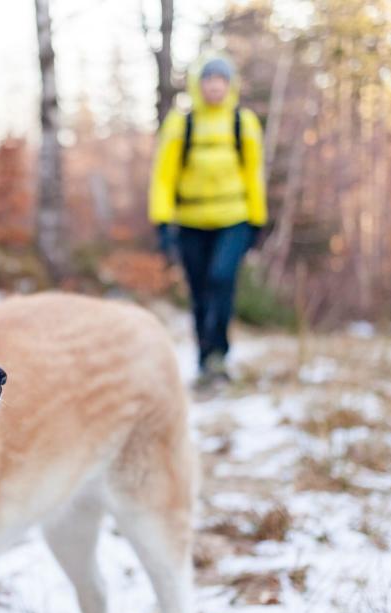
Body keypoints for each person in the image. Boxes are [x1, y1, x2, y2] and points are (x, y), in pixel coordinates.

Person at [148, 55, 267, 386]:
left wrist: (257, 221)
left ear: (230, 85)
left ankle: (219, 353)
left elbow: (254, 174)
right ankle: (205, 360)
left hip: (234, 220)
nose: (215, 85)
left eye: (221, 79)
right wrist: (162, 222)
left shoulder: (243, 123)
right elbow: (164, 176)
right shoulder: (180, 123)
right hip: (190, 223)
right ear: (199, 85)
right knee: (200, 292)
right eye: (209, 79)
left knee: (220, 279)